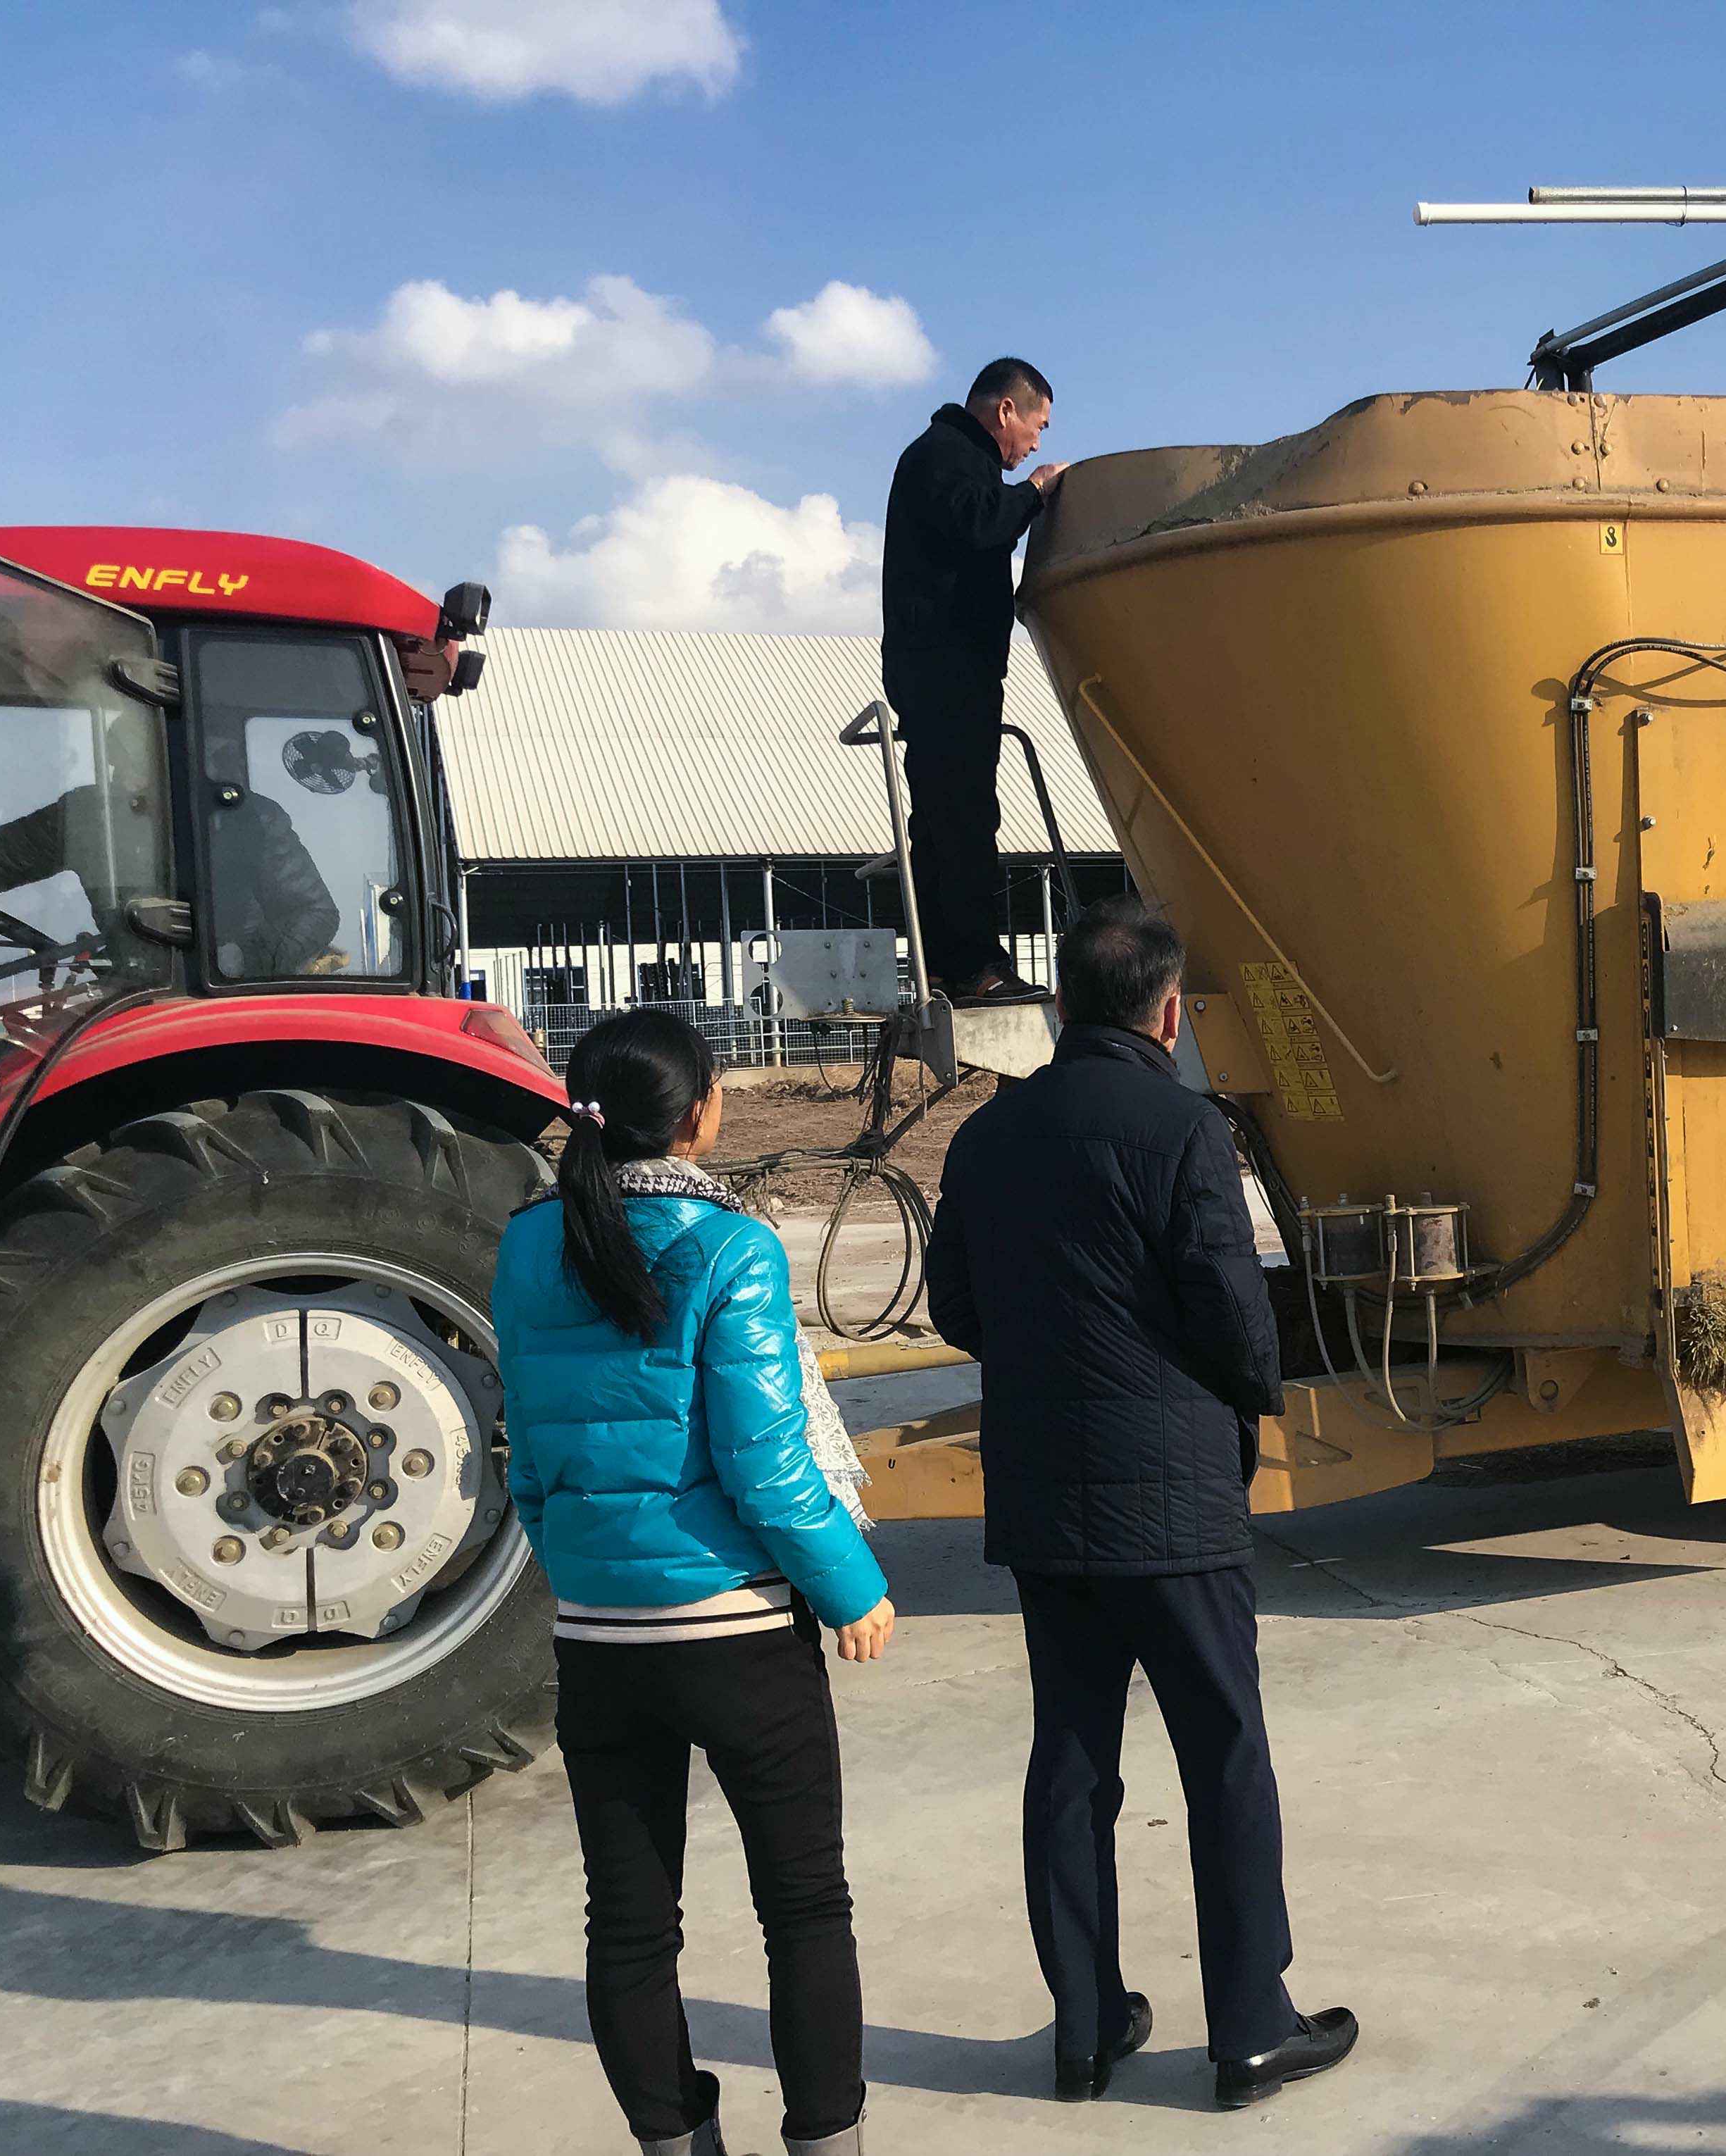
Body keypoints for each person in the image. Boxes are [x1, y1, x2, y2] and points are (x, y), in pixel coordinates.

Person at [927, 895, 1359, 2111]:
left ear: (1062, 1004)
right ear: (1170, 1015)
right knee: (1223, 1756)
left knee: (1071, 1760)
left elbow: (956, 1305)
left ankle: (1085, 2028)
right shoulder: (1182, 1130)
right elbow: (1233, 1309)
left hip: (1045, 1501)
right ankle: (1250, 2031)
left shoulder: (986, 1137)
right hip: (1176, 1507)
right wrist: (1246, 1397)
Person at [495, 1009, 897, 2156]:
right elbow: (766, 1464)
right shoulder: (732, 1248)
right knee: (805, 1907)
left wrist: (579, 1569)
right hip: (738, 1636)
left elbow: (527, 1451)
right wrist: (851, 1587)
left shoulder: (528, 1243)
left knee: (629, 1924)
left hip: (599, 1641)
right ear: (702, 1111)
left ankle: (675, 2144)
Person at [880, 356, 1070, 1008]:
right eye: (1038, 427)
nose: (1036, 445)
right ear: (1006, 410)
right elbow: (980, 522)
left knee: (942, 820)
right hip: (949, 670)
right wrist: (1036, 492)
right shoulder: (947, 456)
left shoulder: (944, 457)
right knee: (964, 819)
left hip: (939, 669)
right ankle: (975, 965)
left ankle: (943, 965)